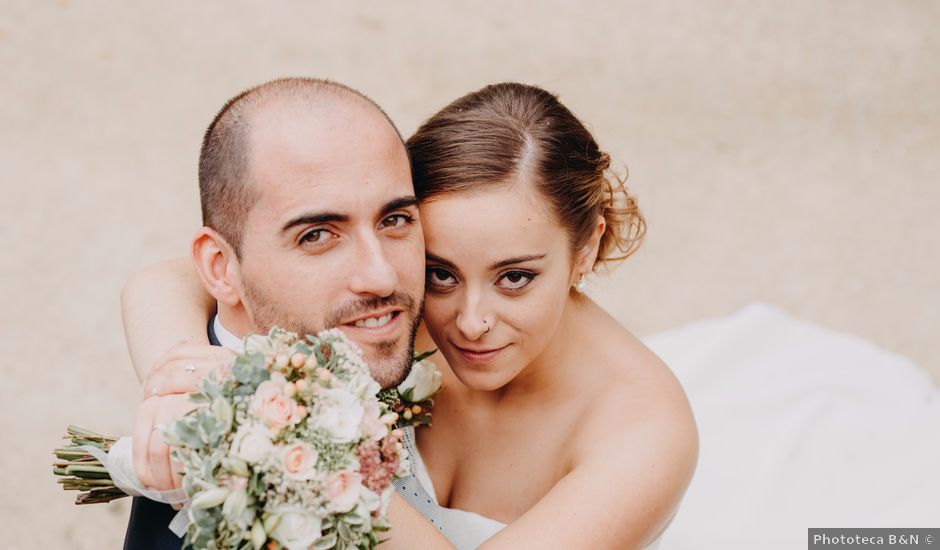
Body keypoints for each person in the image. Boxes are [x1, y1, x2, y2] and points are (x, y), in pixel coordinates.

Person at [127, 82, 698, 549]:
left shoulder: (646, 435)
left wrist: (294, 444)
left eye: (515, 278)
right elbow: (169, 279)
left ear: (588, 248)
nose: (470, 322)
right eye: (441, 272)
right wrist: (184, 386)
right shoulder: (391, 286)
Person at [122, 77, 450, 550]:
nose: (381, 277)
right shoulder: (226, 494)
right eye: (317, 235)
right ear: (220, 267)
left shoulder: (463, 338)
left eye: (395, 219)